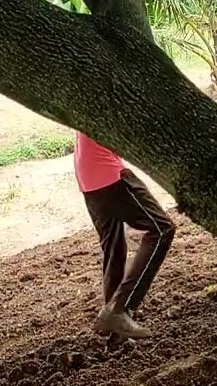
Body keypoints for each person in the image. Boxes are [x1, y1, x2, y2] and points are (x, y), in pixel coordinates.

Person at [74, 130, 176, 340]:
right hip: (108, 173)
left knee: (114, 248)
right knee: (162, 228)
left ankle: (114, 326)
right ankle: (119, 308)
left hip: (87, 172)